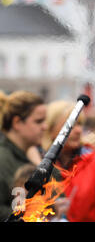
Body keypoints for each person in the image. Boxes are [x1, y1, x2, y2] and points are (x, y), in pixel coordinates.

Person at [43, 100, 95, 222]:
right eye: (71, 125)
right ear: (50, 129)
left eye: (80, 124)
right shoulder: (38, 164)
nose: (78, 130)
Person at [0, 90, 47, 221]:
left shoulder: (36, 155)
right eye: (38, 121)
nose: (45, 126)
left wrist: (39, 164)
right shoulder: (3, 159)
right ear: (17, 123)